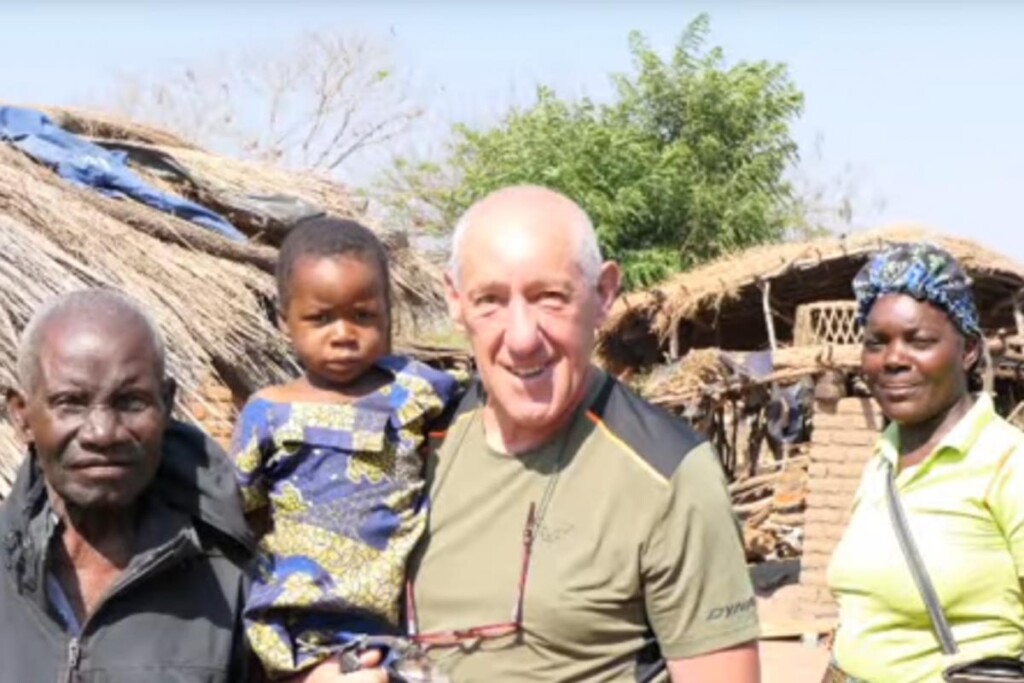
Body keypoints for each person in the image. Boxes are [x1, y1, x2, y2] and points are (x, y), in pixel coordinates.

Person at [407, 185, 761, 682]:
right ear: (455, 301)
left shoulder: (669, 474)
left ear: (603, 294)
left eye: (549, 298)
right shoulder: (409, 446)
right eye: (490, 301)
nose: (523, 337)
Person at [230, 217, 461, 681]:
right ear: (284, 320)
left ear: (388, 315)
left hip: (403, 623)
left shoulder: (415, 392)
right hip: (301, 628)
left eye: (363, 316)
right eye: (320, 318)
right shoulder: (268, 413)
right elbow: (241, 508)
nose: (343, 334)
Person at [0, 289, 256, 682]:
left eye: (131, 402)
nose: (103, 433)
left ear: (167, 404)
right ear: (22, 416)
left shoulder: (234, 583)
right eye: (70, 402)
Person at [826, 243, 1024, 682]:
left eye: (919, 341)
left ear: (969, 350)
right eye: (877, 343)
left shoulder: (1007, 464)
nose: (894, 360)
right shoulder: (882, 462)